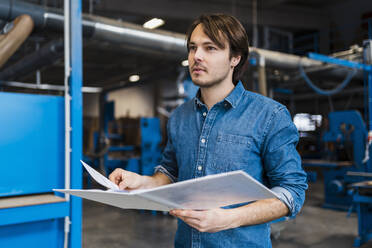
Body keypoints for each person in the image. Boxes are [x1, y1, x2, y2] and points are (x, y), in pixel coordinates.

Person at [109, 13, 308, 248]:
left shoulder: (269, 115)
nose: (197, 57)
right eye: (193, 48)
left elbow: (292, 193)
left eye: (210, 48)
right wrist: (142, 182)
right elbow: (171, 173)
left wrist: (229, 219)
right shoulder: (180, 117)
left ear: (235, 58)